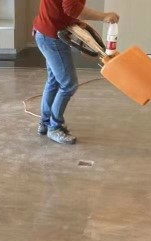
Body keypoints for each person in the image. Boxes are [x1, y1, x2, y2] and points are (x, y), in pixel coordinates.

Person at [34, 1, 120, 144]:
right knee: (69, 84)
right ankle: (54, 128)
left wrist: (76, 23)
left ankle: (45, 122)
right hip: (51, 37)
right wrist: (104, 16)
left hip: (46, 32)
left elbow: (65, 7)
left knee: (54, 80)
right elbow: (71, 8)